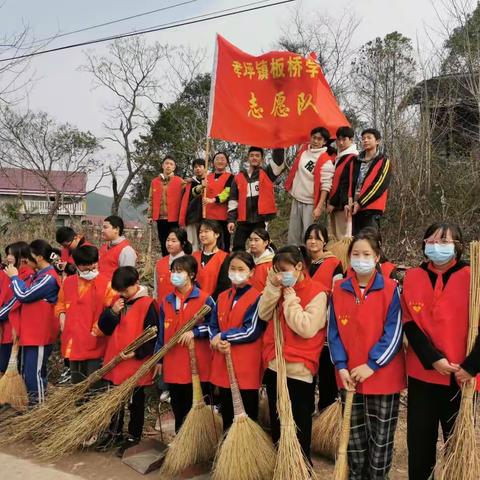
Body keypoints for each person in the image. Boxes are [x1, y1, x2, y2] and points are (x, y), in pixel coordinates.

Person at [402, 222, 480, 480]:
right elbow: (409, 323)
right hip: (423, 374)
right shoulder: (413, 276)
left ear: (458, 246)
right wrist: (433, 359)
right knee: (420, 447)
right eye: (432, 241)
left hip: (462, 377)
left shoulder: (475, 276)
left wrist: (471, 366)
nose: (437, 247)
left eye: (445, 242)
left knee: (456, 445)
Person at [328, 229, 405, 480]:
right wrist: (340, 365)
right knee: (354, 440)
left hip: (382, 378)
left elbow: (394, 333)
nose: (361, 258)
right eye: (356, 254)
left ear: (377, 256)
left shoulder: (391, 289)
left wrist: (372, 364)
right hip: (349, 377)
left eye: (367, 254)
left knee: (380, 442)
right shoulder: (339, 288)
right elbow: (333, 332)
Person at [259, 246, 328, 461]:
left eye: (283, 269)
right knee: (278, 421)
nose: (280, 275)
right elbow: (263, 313)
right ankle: (282, 463)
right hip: (274, 364)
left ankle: (301, 467)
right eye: (276, 270)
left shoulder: (318, 292)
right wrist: (272, 287)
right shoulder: (277, 287)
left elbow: (306, 328)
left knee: (299, 423)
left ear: (299, 266)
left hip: (299, 368)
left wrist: (290, 300)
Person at [95, 266, 158, 455]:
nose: (123, 294)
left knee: (135, 401)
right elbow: (104, 328)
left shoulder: (148, 304)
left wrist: (137, 353)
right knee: (114, 401)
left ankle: (133, 436)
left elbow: (153, 335)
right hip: (116, 359)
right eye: (120, 291)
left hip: (135, 362)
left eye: (126, 290)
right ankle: (113, 431)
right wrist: (112, 312)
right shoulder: (118, 301)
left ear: (136, 284)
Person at [154, 255, 215, 432]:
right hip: (173, 362)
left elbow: (214, 328)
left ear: (192, 275)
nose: (175, 275)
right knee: (177, 405)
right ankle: (180, 440)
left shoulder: (205, 299)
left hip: (197, 364)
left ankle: (197, 441)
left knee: (194, 406)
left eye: (179, 271)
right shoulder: (167, 301)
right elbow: (161, 333)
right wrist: (159, 358)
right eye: (173, 271)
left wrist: (195, 332)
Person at [209, 251, 265, 430]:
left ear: (251, 272)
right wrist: (215, 339)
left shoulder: (258, 297)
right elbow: (213, 324)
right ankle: (228, 450)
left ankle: (248, 453)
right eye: (232, 268)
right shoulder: (222, 296)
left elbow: (252, 330)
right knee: (227, 410)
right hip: (223, 360)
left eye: (241, 269)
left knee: (247, 411)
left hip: (245, 364)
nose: (236, 272)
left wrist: (224, 336)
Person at [4, 240, 61, 404]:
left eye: (29, 258)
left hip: (40, 334)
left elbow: (24, 295)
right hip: (31, 334)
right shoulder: (39, 275)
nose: (26, 261)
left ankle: (39, 412)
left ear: (40, 257)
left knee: (35, 374)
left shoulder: (48, 278)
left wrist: (14, 277)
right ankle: (31, 406)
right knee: (28, 373)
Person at [56, 245, 115, 386]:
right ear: (77, 266)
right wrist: (62, 317)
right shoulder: (68, 283)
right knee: (77, 383)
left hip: (96, 341)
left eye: (93, 267)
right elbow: (61, 304)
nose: (90, 271)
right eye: (86, 269)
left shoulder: (106, 284)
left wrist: (97, 331)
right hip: (73, 339)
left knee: (94, 383)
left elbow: (111, 312)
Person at [304, 223, 342, 411]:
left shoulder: (334, 263)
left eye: (317, 238)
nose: (313, 241)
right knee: (306, 373)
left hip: (325, 324)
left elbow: (337, 294)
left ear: (325, 241)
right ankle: (306, 410)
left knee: (326, 372)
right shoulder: (301, 261)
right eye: (310, 237)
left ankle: (326, 413)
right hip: (302, 324)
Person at [227, 146, 285, 251]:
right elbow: (233, 200)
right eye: (252, 155)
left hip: (260, 219)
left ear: (262, 159)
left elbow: (278, 164)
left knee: (262, 247)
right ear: (248, 158)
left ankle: (273, 262)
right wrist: (231, 220)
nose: (254, 158)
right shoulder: (238, 177)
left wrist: (278, 144)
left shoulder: (267, 173)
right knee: (237, 247)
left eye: (257, 156)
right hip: (243, 220)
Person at [285, 127, 335, 245]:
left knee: (308, 235)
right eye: (314, 138)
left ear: (324, 142)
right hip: (297, 199)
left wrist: (319, 206)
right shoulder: (303, 151)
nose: (316, 141)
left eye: (319, 139)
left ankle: (309, 260)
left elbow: (326, 186)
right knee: (293, 234)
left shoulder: (325, 159)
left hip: (310, 203)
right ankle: (293, 260)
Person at [348, 129, 392, 235]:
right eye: (363, 139)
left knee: (370, 241)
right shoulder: (356, 161)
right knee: (355, 241)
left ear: (377, 141)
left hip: (372, 208)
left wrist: (361, 202)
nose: (365, 141)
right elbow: (350, 183)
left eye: (369, 138)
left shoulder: (384, 161)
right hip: (354, 207)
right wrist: (349, 201)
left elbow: (379, 185)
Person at [0, 242, 34, 374]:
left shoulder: (27, 275)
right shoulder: (8, 273)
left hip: (13, 328)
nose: (8, 257)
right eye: (7, 254)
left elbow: (14, 302)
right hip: (4, 327)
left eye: (11, 254)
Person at [148, 155, 185, 256]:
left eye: (171, 164)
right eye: (166, 163)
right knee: (164, 242)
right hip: (160, 218)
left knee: (175, 242)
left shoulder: (180, 181)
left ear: (174, 167)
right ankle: (165, 264)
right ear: (162, 166)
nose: (168, 166)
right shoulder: (154, 182)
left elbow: (186, 197)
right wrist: (149, 215)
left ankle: (176, 264)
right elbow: (151, 199)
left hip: (174, 218)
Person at [327, 126, 358, 239]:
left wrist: (334, 202)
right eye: (338, 139)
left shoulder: (352, 158)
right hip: (336, 204)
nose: (340, 142)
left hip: (343, 205)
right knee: (333, 237)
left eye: (344, 139)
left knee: (342, 239)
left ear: (351, 140)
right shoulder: (339, 156)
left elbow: (347, 183)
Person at [202, 151, 234, 251]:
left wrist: (213, 200)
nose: (220, 161)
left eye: (223, 159)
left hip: (223, 217)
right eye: (217, 159)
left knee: (223, 245)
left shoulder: (231, 177)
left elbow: (227, 192)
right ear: (213, 162)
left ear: (227, 163)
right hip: (208, 216)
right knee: (208, 244)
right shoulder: (207, 177)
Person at [193, 219, 230, 300]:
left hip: (214, 303)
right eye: (200, 232)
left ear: (216, 234)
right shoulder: (194, 256)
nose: (202, 235)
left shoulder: (224, 257)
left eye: (206, 231)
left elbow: (224, 286)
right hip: (193, 301)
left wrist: (210, 302)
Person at [154, 228, 192, 303]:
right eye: (168, 240)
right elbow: (156, 289)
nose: (169, 243)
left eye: (174, 241)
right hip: (162, 307)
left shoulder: (189, 263)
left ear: (183, 243)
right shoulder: (160, 263)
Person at [179, 158, 206, 251]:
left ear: (205, 168)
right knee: (192, 243)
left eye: (200, 166)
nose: (198, 169)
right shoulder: (188, 183)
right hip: (191, 217)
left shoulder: (209, 181)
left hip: (206, 217)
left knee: (205, 243)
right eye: (195, 167)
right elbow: (183, 200)